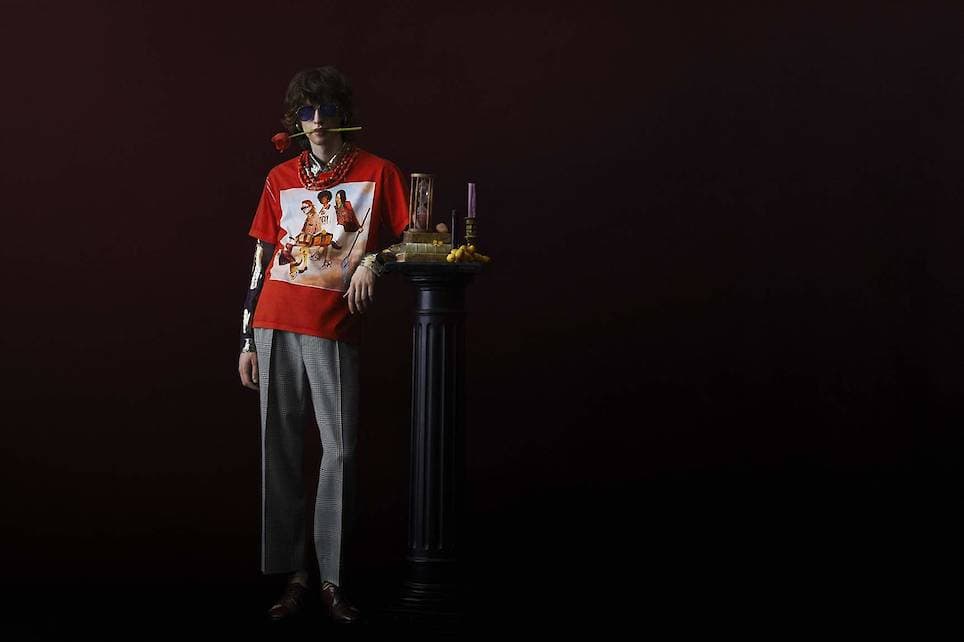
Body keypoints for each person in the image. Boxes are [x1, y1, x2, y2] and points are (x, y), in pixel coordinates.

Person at [237, 66, 409, 624]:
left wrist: (375, 263)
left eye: (326, 112)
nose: (316, 123)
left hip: (332, 324)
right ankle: (295, 577)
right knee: (280, 448)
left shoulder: (379, 172)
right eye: (306, 114)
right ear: (296, 120)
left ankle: (334, 580)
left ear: (344, 117)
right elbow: (261, 260)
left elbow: (411, 237)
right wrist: (246, 338)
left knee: (340, 451)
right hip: (274, 320)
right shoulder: (279, 177)